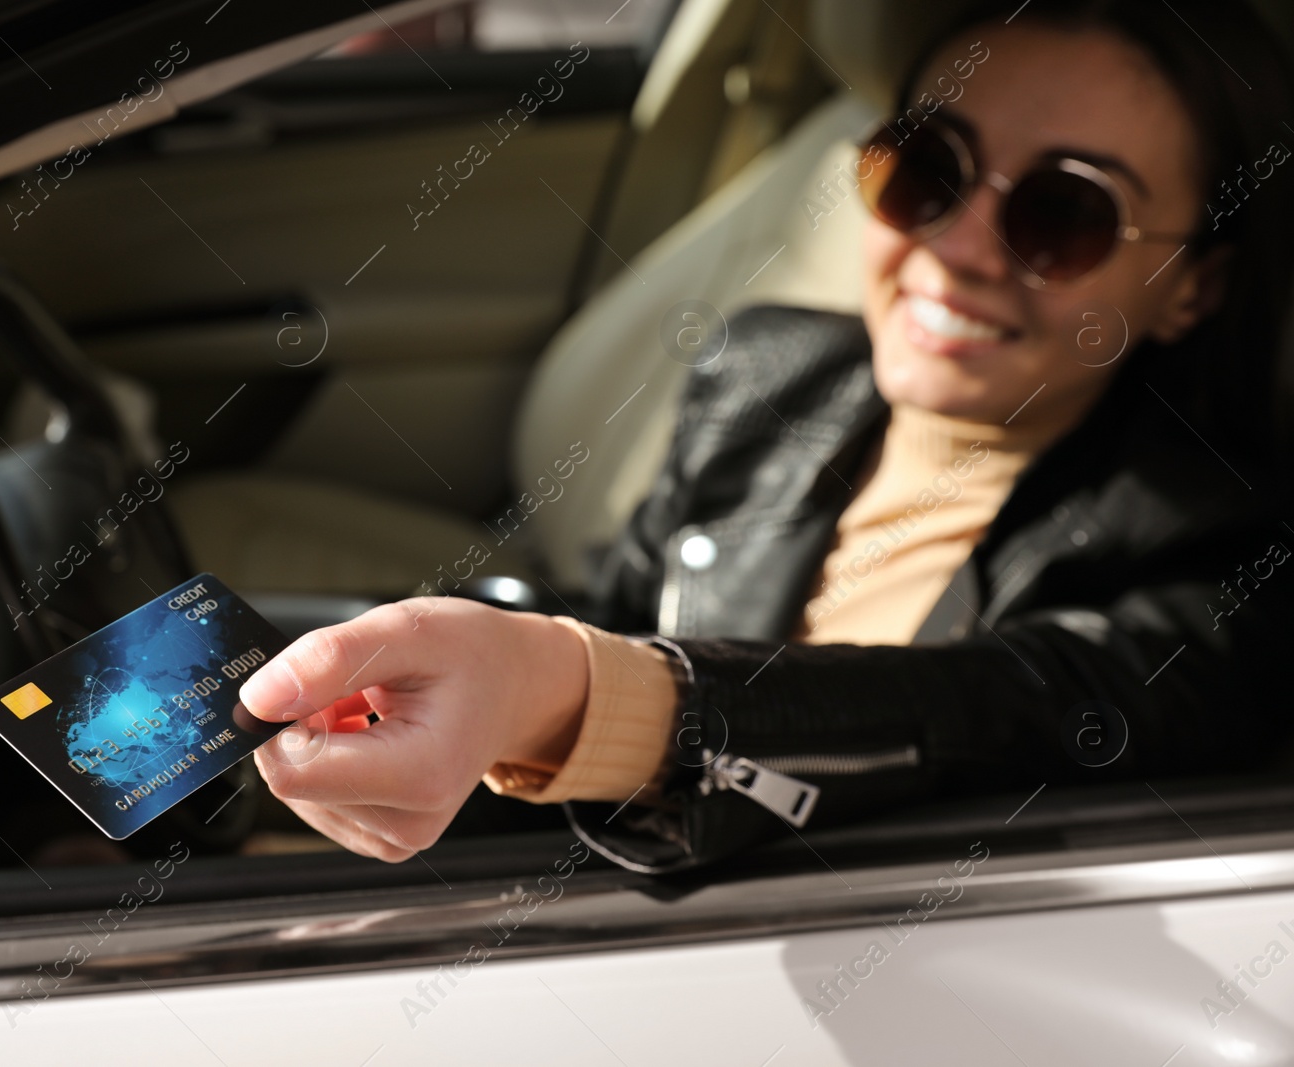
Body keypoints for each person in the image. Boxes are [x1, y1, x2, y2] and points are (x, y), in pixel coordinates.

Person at [244, 0, 1294, 873]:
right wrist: (244, 833)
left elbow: (973, 711)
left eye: (1065, 214)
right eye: (928, 166)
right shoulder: (767, 375)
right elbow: (616, 632)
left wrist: (552, 685)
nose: (958, 245)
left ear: (1190, 287)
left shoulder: (1229, 562)